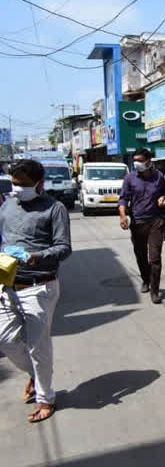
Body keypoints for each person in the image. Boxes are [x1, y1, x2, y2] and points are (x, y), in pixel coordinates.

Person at [0, 159, 72, 423]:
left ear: (39, 183)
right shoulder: (7, 206)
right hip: (7, 283)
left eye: (24, 185)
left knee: (38, 348)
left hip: (40, 286)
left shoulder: (55, 208)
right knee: (4, 339)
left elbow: (64, 248)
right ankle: (37, 374)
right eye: (14, 184)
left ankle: (46, 398)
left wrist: (34, 257)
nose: (17, 189)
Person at [119, 149, 165, 304]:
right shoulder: (130, 178)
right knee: (141, 255)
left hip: (156, 221)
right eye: (135, 160)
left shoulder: (159, 177)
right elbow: (123, 199)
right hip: (137, 222)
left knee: (155, 258)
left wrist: (163, 198)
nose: (136, 163)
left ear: (148, 161)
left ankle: (155, 290)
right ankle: (145, 280)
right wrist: (123, 216)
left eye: (139, 160)